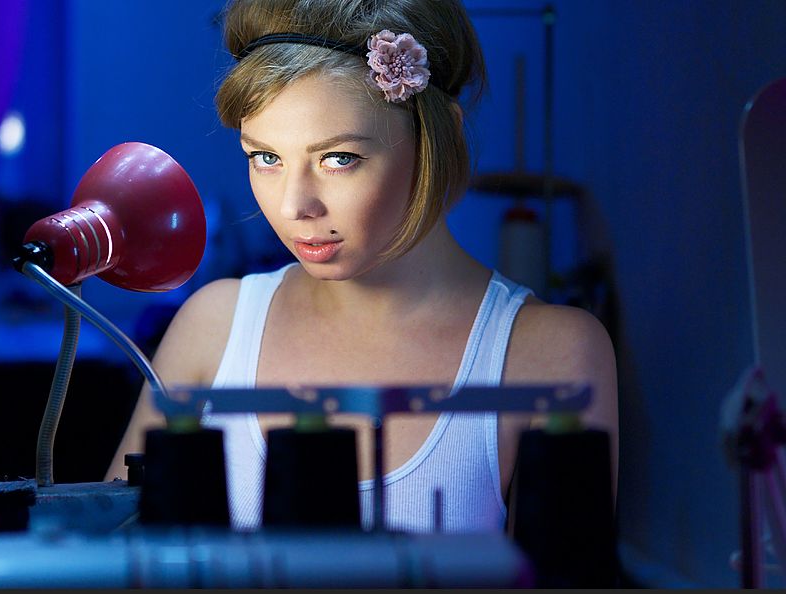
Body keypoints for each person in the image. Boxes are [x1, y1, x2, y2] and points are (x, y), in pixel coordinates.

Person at [106, 0, 618, 533]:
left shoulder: (551, 354)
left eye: (339, 158)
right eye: (266, 157)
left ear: (435, 139)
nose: (292, 207)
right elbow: (116, 577)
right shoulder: (212, 328)